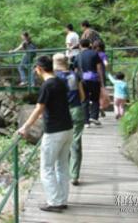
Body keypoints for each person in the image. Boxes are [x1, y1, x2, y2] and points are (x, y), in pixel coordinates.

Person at [18, 56, 73, 213]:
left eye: (36, 69)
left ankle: (54, 202)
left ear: (39, 69)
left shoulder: (47, 86)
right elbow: (58, 103)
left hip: (54, 131)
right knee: (62, 165)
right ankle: (61, 200)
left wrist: (25, 127)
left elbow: (38, 108)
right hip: (68, 128)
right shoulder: (61, 82)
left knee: (47, 167)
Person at [53, 53, 85, 186]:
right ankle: (75, 176)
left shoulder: (55, 78)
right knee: (75, 143)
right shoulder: (75, 75)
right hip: (76, 110)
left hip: (61, 113)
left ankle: (62, 172)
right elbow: (82, 96)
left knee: (61, 142)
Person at [76, 39, 105, 128]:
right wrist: (102, 81)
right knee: (95, 98)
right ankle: (93, 117)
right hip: (94, 79)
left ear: (80, 45)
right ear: (89, 44)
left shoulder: (78, 56)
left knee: (84, 100)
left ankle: (86, 122)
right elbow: (99, 68)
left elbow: (76, 70)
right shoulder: (94, 53)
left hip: (82, 80)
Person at [93, 40, 109, 117]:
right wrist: (109, 69)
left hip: (93, 75)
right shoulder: (103, 54)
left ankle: (97, 108)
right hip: (101, 75)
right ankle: (101, 107)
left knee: (95, 92)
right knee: (101, 92)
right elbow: (106, 64)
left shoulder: (92, 54)